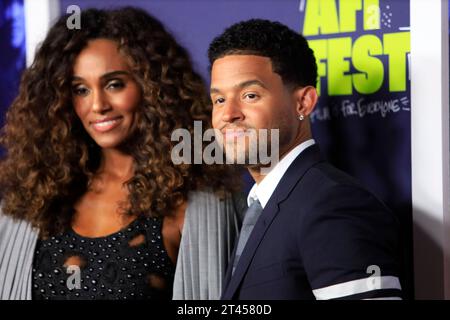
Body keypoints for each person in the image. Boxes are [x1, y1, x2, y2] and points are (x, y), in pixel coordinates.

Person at [0, 7, 243, 300]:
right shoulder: (35, 199)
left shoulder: (196, 205)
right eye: (80, 89)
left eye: (114, 84)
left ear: (153, 87)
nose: (98, 105)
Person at [208, 19, 403, 300]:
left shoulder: (335, 203)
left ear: (303, 102)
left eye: (250, 95)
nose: (228, 115)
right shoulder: (260, 203)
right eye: (219, 100)